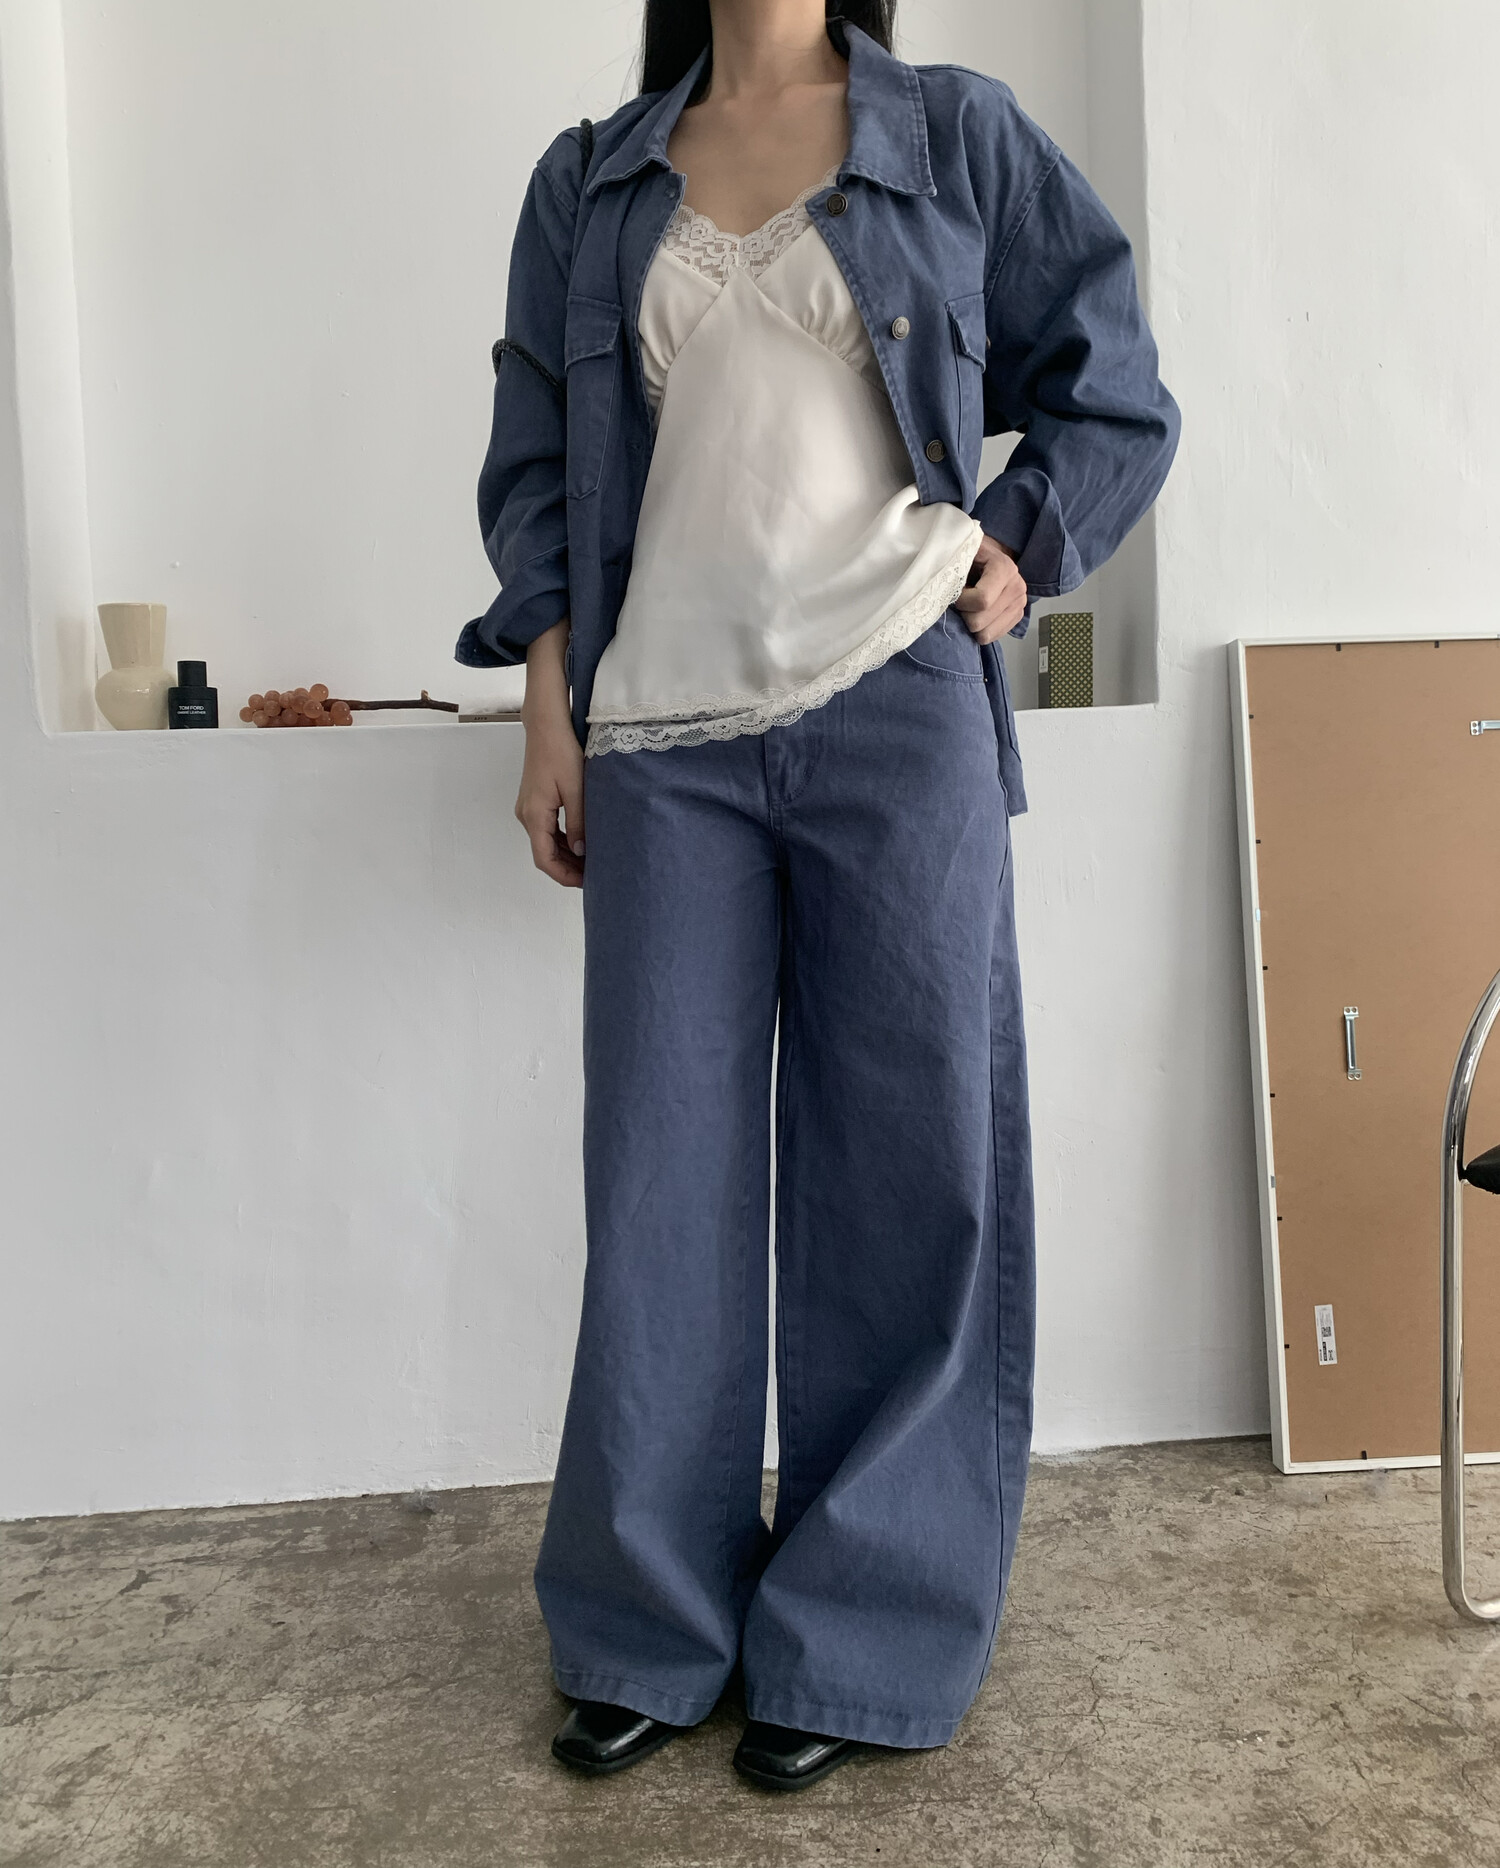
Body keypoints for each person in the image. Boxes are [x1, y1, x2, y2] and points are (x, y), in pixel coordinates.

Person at [458, 0, 1179, 1793]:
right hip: (662, 737)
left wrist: (1025, 538)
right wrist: (548, 706)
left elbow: (1112, 379)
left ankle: (858, 1633)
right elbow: (538, 468)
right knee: (660, 1180)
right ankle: (647, 1624)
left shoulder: (953, 133)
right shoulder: (591, 180)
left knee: (905, 1169)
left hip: (899, 699)